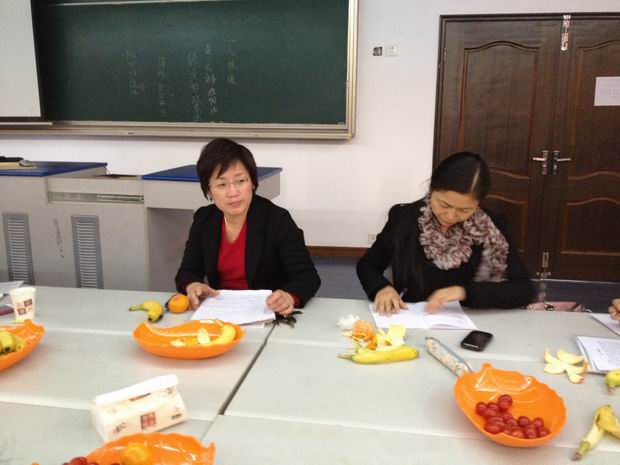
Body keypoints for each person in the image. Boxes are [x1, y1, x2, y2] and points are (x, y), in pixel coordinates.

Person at [357, 151, 534, 315]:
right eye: (444, 205)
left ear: (478, 204)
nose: (450, 216)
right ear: (432, 189)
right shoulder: (404, 218)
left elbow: (523, 290)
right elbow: (368, 265)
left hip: (469, 319)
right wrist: (381, 288)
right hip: (412, 317)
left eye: (464, 210)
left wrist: (464, 292)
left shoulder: (491, 228)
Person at [175, 138, 320, 315]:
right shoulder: (204, 219)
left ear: (252, 182)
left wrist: (289, 296)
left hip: (267, 311)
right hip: (222, 312)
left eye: (240, 181)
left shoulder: (277, 219)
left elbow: (307, 276)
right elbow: (187, 271)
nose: (233, 192)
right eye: (221, 184)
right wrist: (192, 285)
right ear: (208, 190)